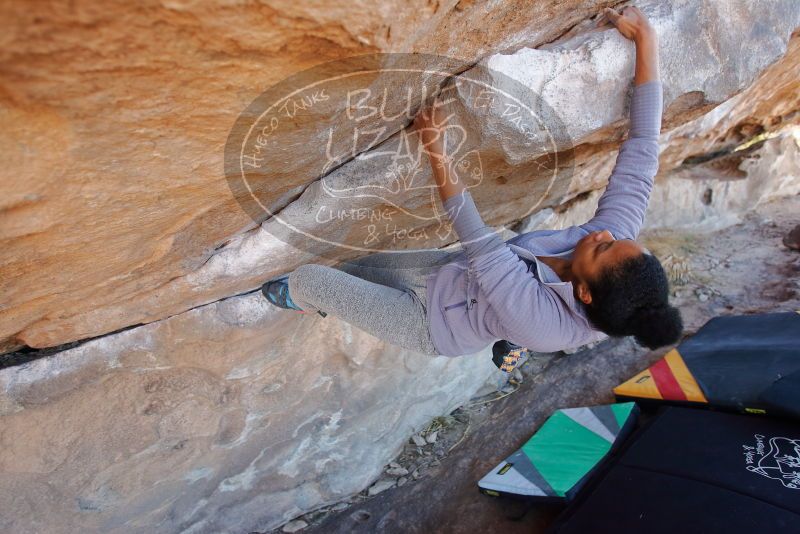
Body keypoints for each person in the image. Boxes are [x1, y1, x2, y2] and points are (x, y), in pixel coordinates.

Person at [262, 5, 682, 357]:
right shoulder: (614, 260)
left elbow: (477, 237)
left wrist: (436, 146)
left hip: (431, 326)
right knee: (352, 268)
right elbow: (643, 151)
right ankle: (505, 340)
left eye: (603, 247)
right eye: (614, 238)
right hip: (448, 274)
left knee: (311, 279)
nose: (602, 232)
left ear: (585, 293)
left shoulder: (545, 323)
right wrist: (647, 42)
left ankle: (296, 299)